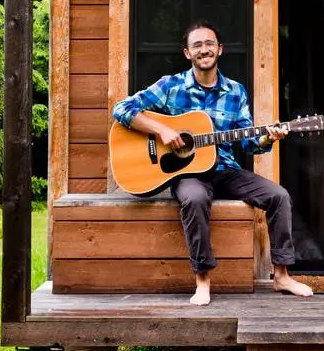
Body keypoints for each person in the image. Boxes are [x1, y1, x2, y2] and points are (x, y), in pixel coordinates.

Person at [113, 21, 313, 306]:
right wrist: (162, 131)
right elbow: (122, 109)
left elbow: (247, 141)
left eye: (209, 44)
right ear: (187, 53)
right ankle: (203, 280)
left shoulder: (235, 92)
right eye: (197, 45)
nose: (204, 50)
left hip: (224, 169)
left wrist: (269, 139)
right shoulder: (171, 86)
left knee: (278, 196)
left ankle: (281, 275)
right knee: (193, 199)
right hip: (187, 173)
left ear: (220, 49)